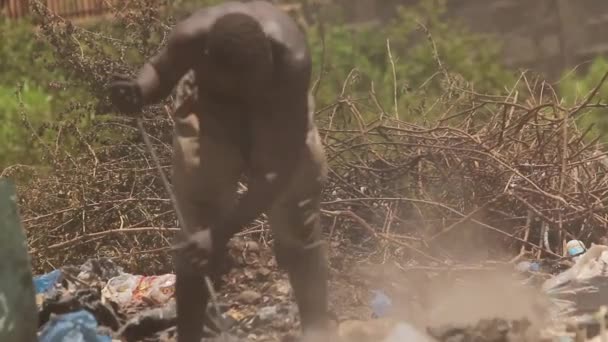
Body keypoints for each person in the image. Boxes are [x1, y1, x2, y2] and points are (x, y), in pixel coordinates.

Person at [107, 1, 331, 341]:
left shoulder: (291, 61)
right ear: (206, 63)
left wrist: (221, 233)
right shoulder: (192, 39)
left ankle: (318, 332)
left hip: (277, 122)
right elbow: (161, 71)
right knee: (197, 225)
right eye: (238, 86)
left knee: (297, 215)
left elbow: (277, 172)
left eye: (256, 81)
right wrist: (140, 91)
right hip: (210, 118)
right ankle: (191, 337)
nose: (248, 93)